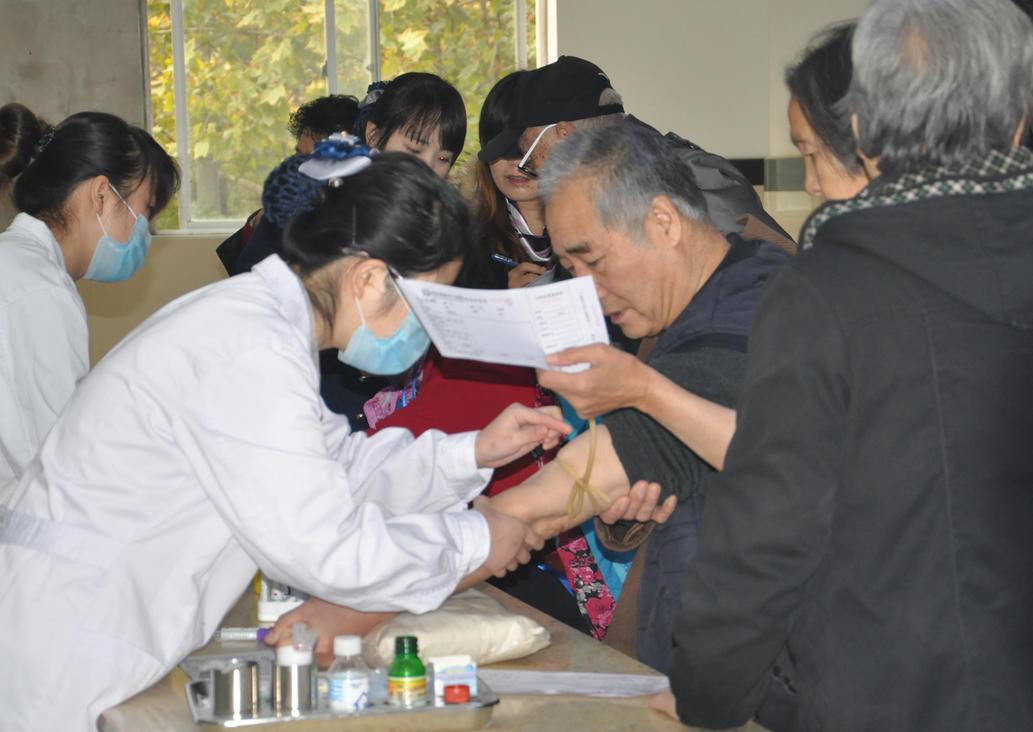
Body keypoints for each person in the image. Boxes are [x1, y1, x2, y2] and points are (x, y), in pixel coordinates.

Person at [0, 149, 567, 732]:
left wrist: (469, 452)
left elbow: (336, 466)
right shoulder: (249, 347)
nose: (426, 332)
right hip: (65, 637)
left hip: (81, 617)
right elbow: (327, 548)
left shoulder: (260, 326)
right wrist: (475, 541)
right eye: (427, 304)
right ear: (370, 278)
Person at [661, 1, 1033, 729]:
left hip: (891, 694)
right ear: (1019, 122)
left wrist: (705, 693)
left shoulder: (827, 291)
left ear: (861, 129)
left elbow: (767, 533)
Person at [485, 117, 789, 669]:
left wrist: (377, 590)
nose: (589, 292)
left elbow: (555, 498)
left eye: (595, 262)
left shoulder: (750, 313)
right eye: (571, 269)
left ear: (664, 222)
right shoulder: (690, 304)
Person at [0, 109, 179, 499]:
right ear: (100, 194)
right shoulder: (39, 290)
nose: (145, 234)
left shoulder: (18, 265)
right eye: (145, 211)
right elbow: (58, 465)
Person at [482, 55, 795, 252]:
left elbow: (772, 282)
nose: (532, 168)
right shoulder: (620, 182)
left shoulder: (694, 185)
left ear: (563, 134)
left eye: (531, 156)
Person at [217, 94, 359, 274]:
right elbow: (245, 276)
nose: (301, 168)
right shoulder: (284, 212)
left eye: (315, 159)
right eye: (300, 156)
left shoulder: (369, 218)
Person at [463, 70, 555, 289]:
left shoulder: (594, 225)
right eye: (500, 146)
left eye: (527, 147)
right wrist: (503, 298)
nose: (516, 162)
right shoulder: (464, 239)